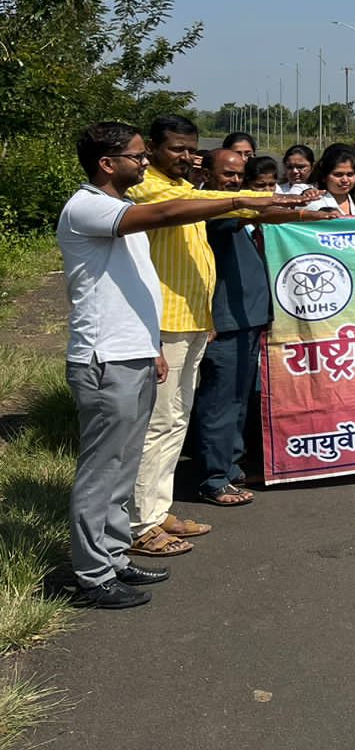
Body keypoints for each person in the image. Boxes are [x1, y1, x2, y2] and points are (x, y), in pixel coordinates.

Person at [58, 123, 306, 607]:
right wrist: (240, 200)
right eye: (135, 156)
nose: (142, 163)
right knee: (102, 470)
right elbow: (169, 211)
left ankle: (114, 555)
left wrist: (150, 343)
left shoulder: (122, 207)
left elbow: (134, 288)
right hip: (105, 358)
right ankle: (91, 576)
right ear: (106, 164)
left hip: (134, 351)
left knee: (125, 463)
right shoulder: (89, 206)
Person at [124, 116, 312, 558]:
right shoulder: (152, 189)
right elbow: (225, 207)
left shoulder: (186, 189)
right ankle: (139, 522)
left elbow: (237, 209)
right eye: (177, 148)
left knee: (175, 421)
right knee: (159, 423)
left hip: (194, 319)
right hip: (165, 322)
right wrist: (263, 198)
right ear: (152, 149)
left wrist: (297, 209)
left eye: (191, 149)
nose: (186, 157)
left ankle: (157, 511)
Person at [195, 150, 333, 507]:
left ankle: (231, 466)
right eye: (227, 174)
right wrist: (302, 211)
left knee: (239, 401)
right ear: (206, 175)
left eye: (239, 175)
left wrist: (304, 211)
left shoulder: (231, 208)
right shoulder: (209, 209)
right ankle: (213, 478)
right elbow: (255, 212)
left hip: (249, 318)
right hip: (225, 321)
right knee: (221, 401)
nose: (234, 181)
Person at [305, 148, 355, 215]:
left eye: (350, 174)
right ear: (324, 177)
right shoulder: (312, 204)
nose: (345, 180)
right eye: (338, 175)